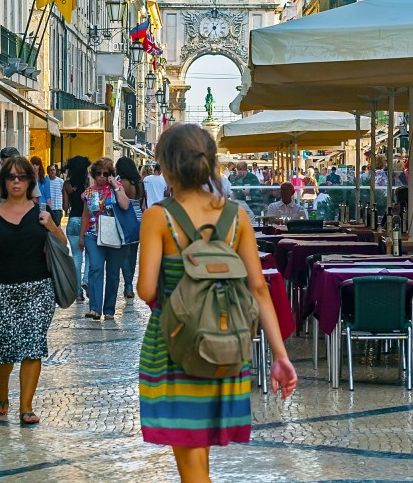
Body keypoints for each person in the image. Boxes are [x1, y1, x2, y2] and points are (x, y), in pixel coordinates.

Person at [137, 124, 296, 481]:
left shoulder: (159, 217)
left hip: (174, 344)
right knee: (197, 459)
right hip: (225, 343)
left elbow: (146, 290)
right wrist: (280, 356)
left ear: (167, 166)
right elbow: (258, 289)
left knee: (190, 463)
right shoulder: (236, 217)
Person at [0, 156, 62, 427]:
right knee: (5, 346)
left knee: (34, 346)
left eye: (21, 177)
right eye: (11, 177)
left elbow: (63, 246)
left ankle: (26, 406)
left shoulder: (42, 213)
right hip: (1, 289)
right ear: (3, 182)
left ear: (30, 181)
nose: (16, 182)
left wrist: (51, 225)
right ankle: (1, 391)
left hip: (38, 287)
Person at [80, 157, 131, 320]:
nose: (101, 176)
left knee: (113, 272)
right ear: (93, 174)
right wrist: (81, 237)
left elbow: (125, 205)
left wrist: (115, 186)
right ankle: (94, 308)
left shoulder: (118, 188)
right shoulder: (88, 192)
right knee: (95, 268)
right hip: (92, 234)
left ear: (111, 174)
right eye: (98, 173)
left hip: (114, 235)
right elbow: (86, 214)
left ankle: (109, 309)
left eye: (106, 173)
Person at [62, 156, 91, 304]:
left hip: (73, 221)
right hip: (87, 222)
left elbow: (65, 208)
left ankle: (78, 293)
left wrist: (70, 193)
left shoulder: (67, 184)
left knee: (77, 257)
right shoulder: (88, 184)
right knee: (91, 255)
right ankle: (86, 279)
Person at [116, 156, 144, 299]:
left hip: (124, 219)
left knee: (123, 255)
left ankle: (127, 285)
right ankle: (130, 284)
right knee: (133, 255)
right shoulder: (140, 183)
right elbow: (143, 204)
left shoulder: (121, 183)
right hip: (138, 220)